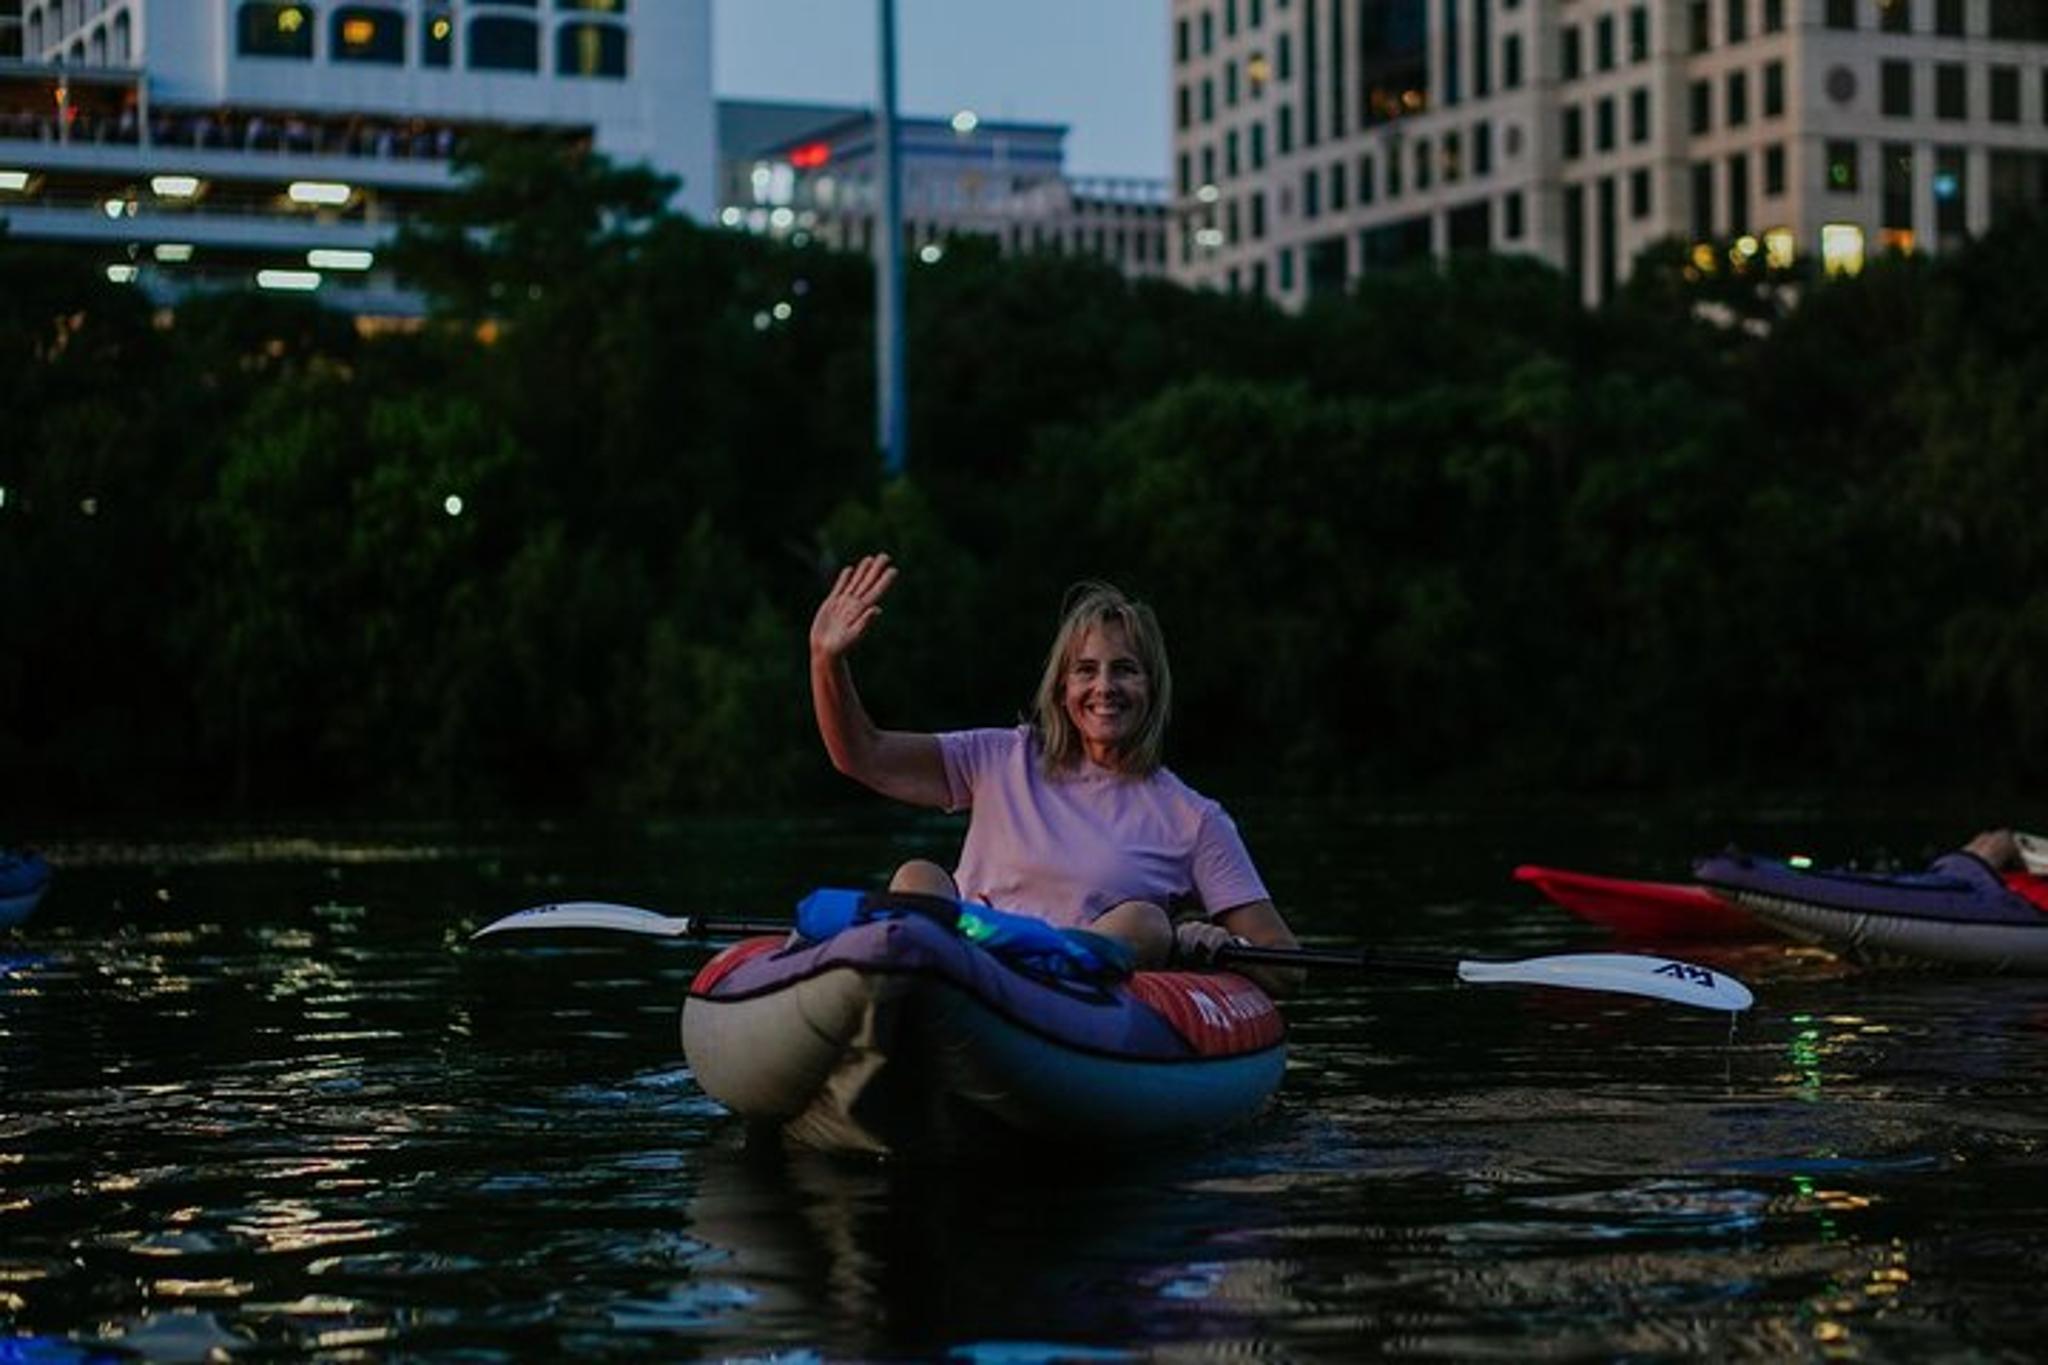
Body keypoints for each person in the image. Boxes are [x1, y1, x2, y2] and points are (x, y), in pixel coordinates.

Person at [808, 552, 1301, 992]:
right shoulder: (998, 757)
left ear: (1152, 686)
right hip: (966, 963)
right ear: (1063, 688)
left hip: (1068, 1003)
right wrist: (826, 661)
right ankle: (915, 987)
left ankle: (1031, 987)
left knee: (1146, 923)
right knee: (917, 874)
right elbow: (862, 754)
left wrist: (1213, 942)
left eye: (1125, 669)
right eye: (1086, 670)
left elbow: (1286, 967)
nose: (1104, 687)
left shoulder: (1194, 819)